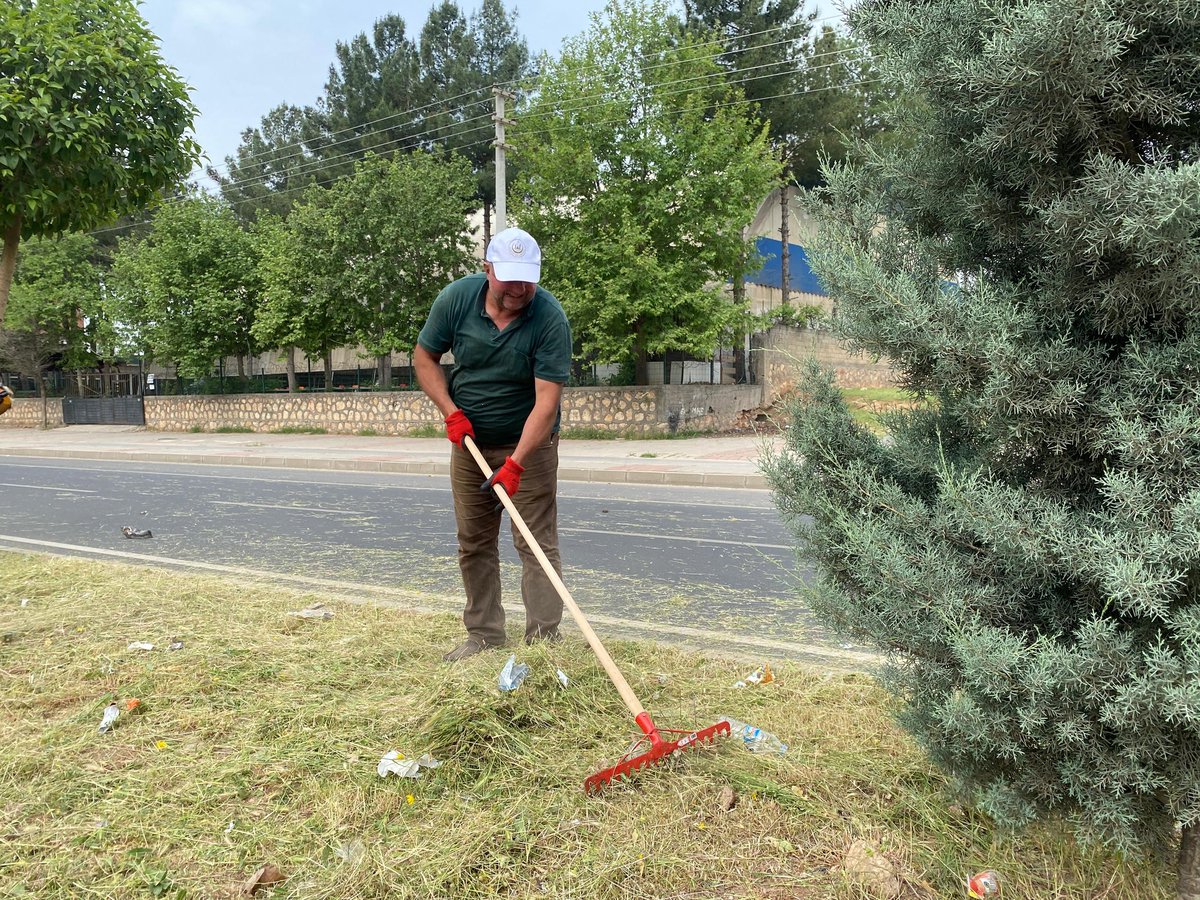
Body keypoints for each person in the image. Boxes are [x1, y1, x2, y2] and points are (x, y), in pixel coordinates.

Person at [414, 227, 573, 662]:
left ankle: (543, 641)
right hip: (470, 444)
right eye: (509, 278)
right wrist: (450, 411)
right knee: (474, 541)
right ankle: (484, 635)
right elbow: (424, 358)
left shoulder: (550, 318)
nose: (519, 289)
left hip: (531, 446)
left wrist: (518, 463)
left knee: (535, 543)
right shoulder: (456, 299)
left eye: (528, 279)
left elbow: (546, 402)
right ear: (487, 270)